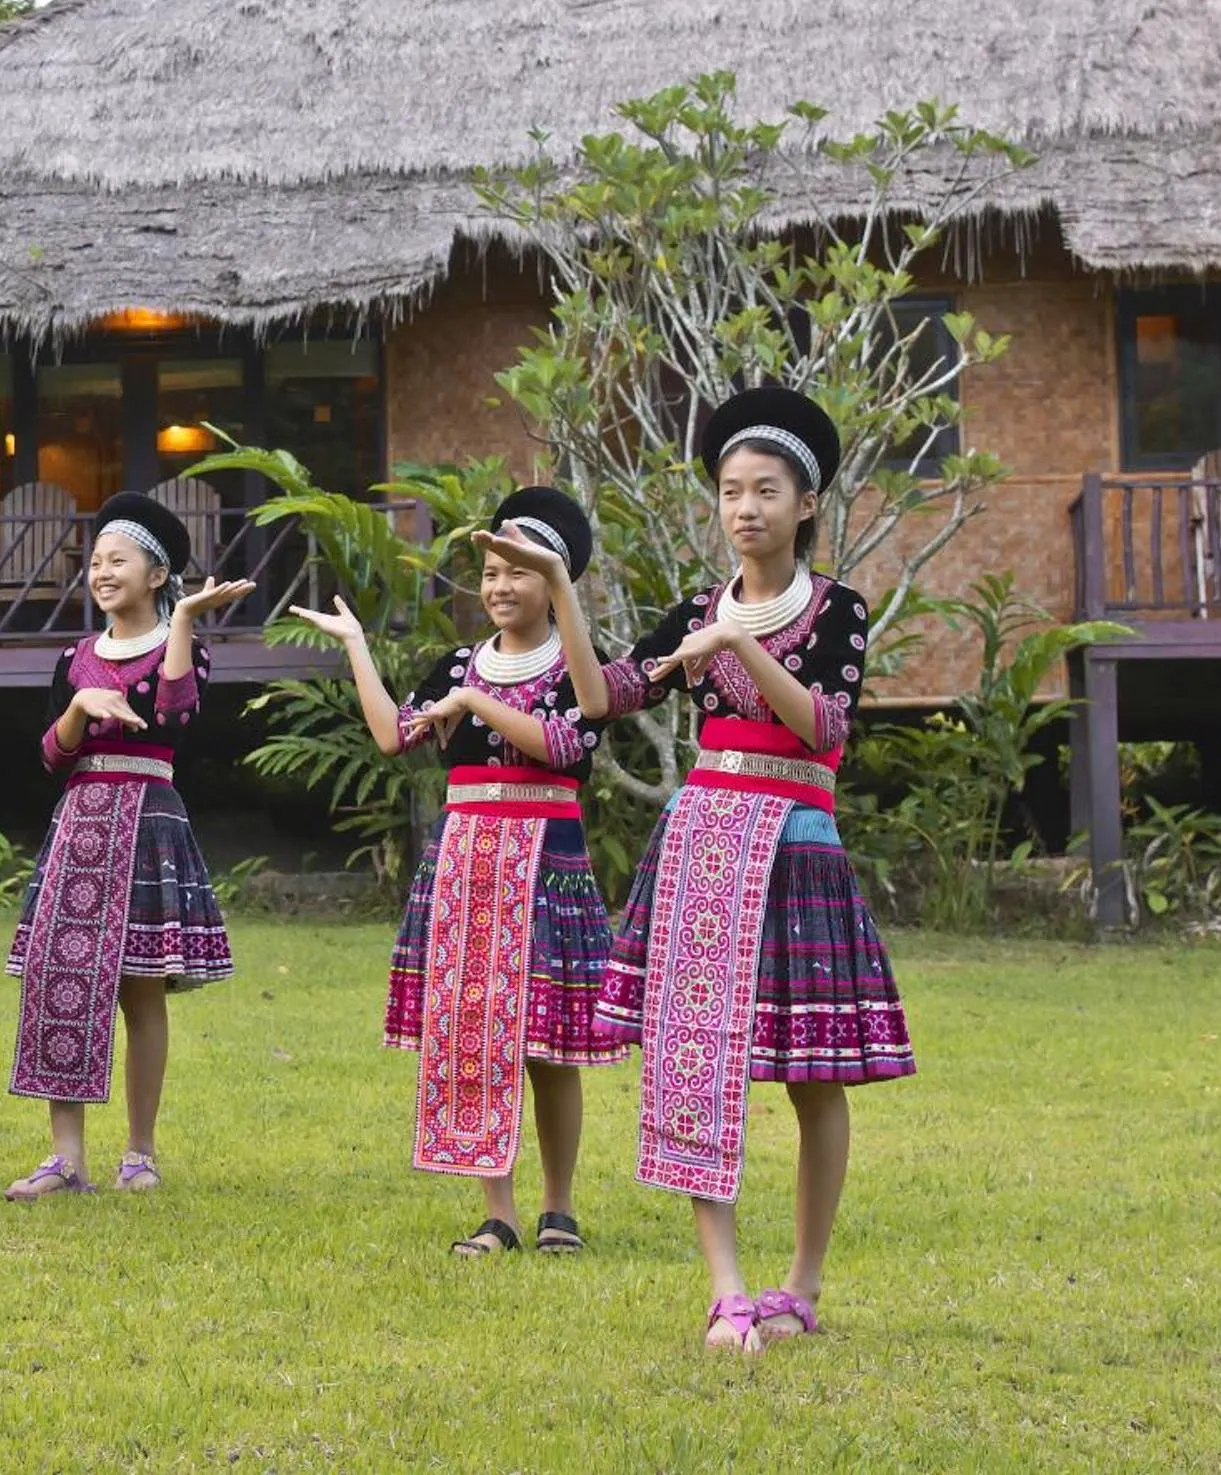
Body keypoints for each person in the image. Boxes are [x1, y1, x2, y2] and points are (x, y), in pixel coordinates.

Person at [495, 386, 915, 1349]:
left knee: (815, 1077)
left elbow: (826, 725)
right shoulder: (692, 610)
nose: (746, 508)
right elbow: (601, 695)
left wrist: (735, 644)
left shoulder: (838, 610)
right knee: (690, 1057)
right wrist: (563, 589)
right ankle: (727, 1289)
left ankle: (800, 1286)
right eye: (731, 491)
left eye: (766, 489)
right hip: (705, 841)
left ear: (806, 504)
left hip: (799, 852)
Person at [294, 487, 622, 1257]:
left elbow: (565, 746)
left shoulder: (581, 666)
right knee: (477, 1036)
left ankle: (559, 1208)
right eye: (490, 572)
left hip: (546, 864)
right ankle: (497, 1212)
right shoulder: (455, 663)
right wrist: (356, 645)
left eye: (518, 571)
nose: (500, 586)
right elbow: (393, 735)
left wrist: (474, 697)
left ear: (556, 580)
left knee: (546, 1045)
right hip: (467, 863)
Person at [2, 492, 252, 1198]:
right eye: (97, 560)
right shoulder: (75, 657)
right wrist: (80, 707)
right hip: (80, 822)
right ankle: (67, 1157)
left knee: (141, 992)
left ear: (156, 574)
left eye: (120, 560)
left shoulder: (185, 647)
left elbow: (173, 711)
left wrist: (185, 620)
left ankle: (139, 1152)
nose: (102, 572)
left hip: (148, 819)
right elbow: (52, 757)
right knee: (62, 979)